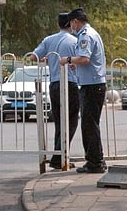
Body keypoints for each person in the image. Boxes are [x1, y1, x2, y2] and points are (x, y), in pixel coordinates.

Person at [59, 7, 107, 173]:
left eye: (72, 24)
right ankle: (97, 159)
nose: (72, 27)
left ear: (76, 22)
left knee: (89, 125)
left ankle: (95, 163)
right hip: (94, 84)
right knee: (91, 125)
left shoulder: (85, 35)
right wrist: (76, 63)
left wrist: (68, 59)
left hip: (92, 86)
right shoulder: (92, 33)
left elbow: (85, 59)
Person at [30, 13, 79, 170]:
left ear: (58, 24)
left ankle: (59, 156)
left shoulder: (49, 40)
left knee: (59, 121)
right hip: (70, 84)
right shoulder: (75, 41)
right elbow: (81, 60)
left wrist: (49, 60)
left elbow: (33, 57)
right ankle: (60, 157)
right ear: (70, 24)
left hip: (54, 84)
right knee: (71, 120)